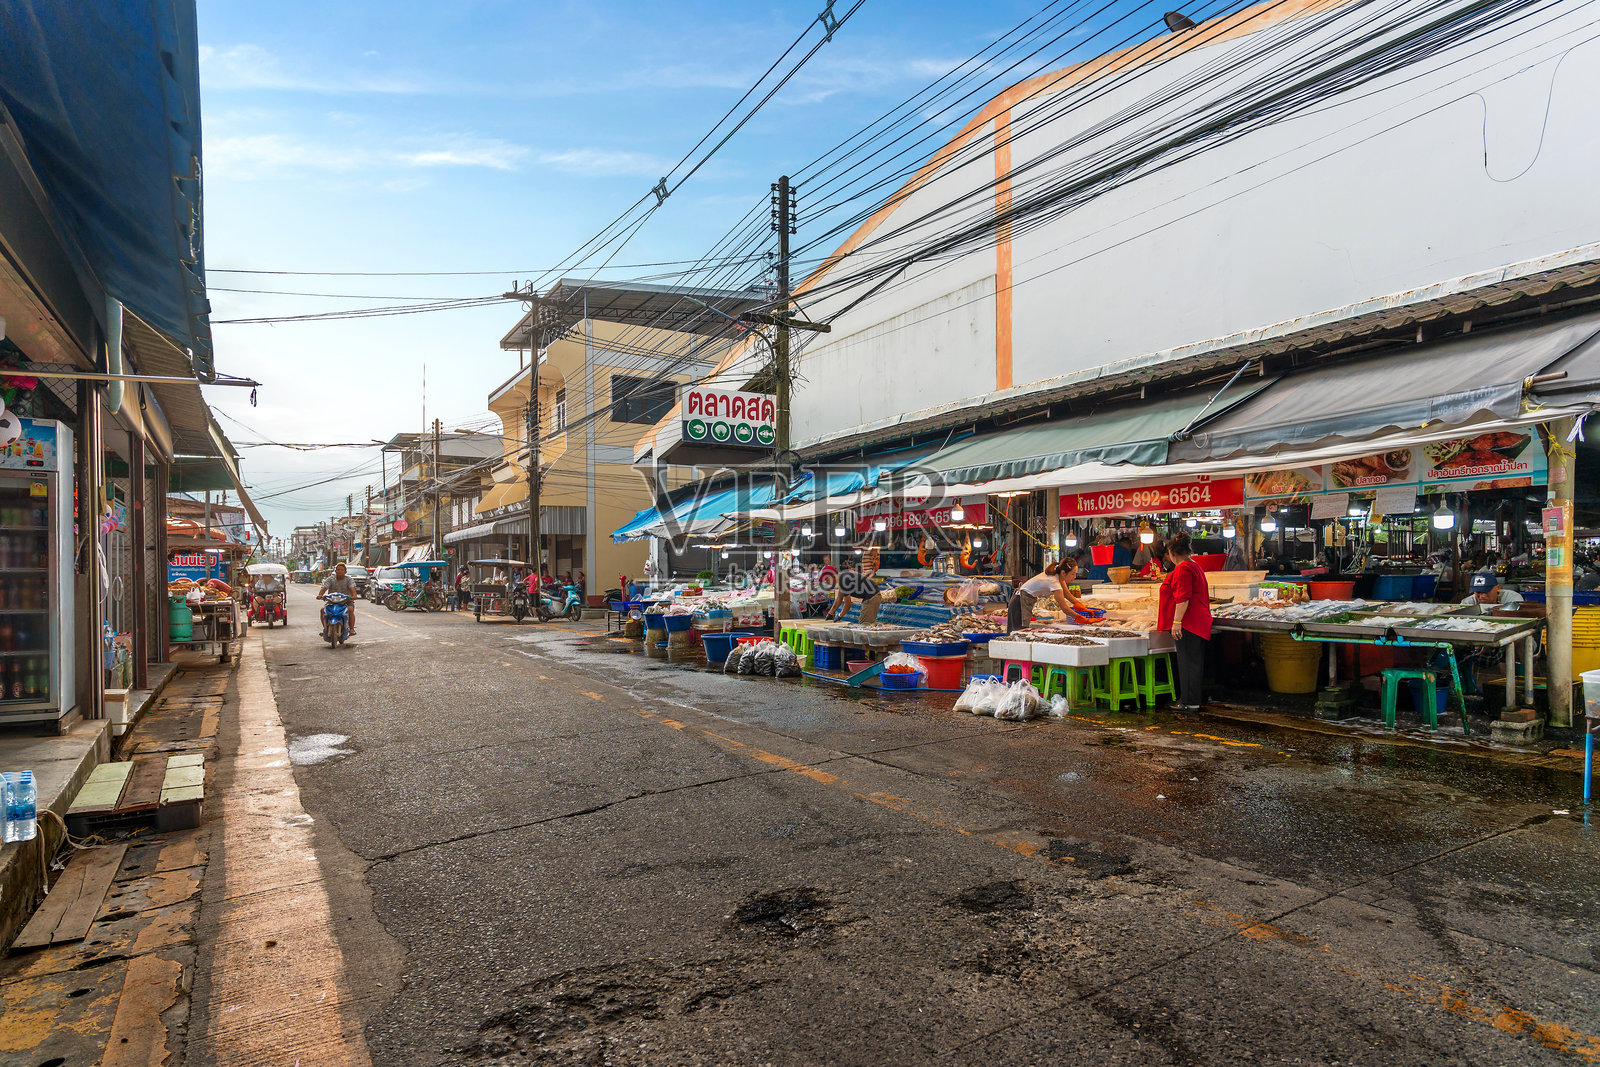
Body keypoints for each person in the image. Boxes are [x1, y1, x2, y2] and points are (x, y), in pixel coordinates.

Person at [1159, 532, 1212, 713]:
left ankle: (1188, 702)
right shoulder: (1194, 565)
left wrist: (1176, 621)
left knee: (1187, 662)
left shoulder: (1183, 568)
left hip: (1190, 622)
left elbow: (1183, 597)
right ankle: (1191, 700)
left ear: (1172, 552)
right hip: (1197, 620)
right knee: (1193, 662)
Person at [1008, 557, 1086, 632]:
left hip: (1022, 600)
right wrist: (1081, 618)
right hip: (1019, 603)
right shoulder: (1054, 581)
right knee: (1017, 633)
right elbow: (1065, 608)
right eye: (1072, 574)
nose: (1075, 577)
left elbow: (1067, 594)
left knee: (1019, 632)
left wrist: (1082, 607)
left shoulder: (1059, 576)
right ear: (1063, 573)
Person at [827, 550, 884, 623]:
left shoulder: (844, 580)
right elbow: (839, 598)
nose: (827, 582)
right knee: (864, 624)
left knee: (864, 624)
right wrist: (830, 613)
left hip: (872, 596)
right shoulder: (842, 578)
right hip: (870, 596)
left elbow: (848, 604)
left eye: (827, 580)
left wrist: (839, 616)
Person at [317, 561, 359, 635]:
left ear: (345, 571)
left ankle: (352, 629)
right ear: (335, 571)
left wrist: (354, 596)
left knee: (350, 610)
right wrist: (320, 595)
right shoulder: (330, 579)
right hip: (332, 601)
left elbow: (352, 590)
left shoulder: (349, 579)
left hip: (346, 601)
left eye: (342, 570)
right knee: (322, 610)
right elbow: (324, 588)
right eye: (338, 570)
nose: (340, 571)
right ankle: (325, 629)